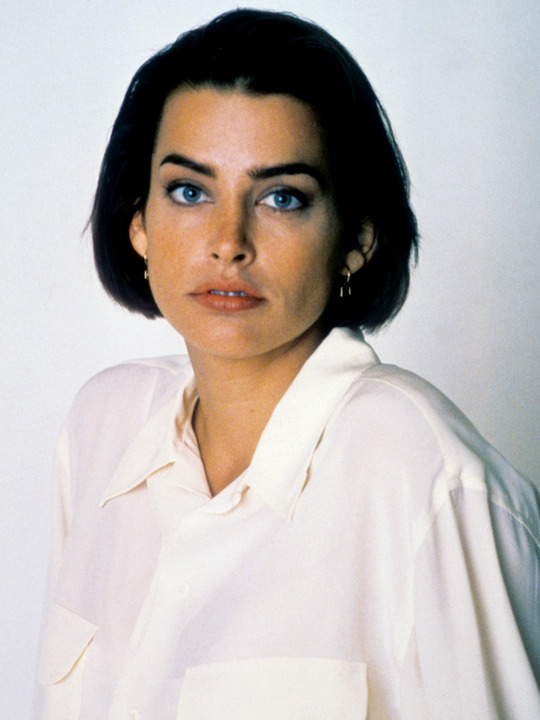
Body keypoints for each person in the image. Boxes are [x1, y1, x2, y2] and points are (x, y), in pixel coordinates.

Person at [34, 8, 539, 720]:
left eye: (281, 198)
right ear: (138, 221)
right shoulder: (100, 426)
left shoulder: (432, 484)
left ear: (356, 239)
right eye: (189, 191)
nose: (228, 241)